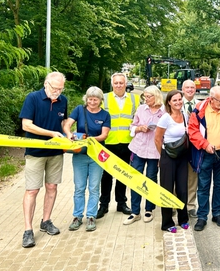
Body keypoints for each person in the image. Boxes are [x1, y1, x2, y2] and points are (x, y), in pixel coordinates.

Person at [19, 72, 68, 248]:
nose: (58, 92)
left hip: (55, 153)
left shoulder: (63, 100)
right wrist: (50, 134)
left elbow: (62, 122)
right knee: (32, 190)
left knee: (52, 187)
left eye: (61, 89)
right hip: (35, 152)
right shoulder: (32, 98)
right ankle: (28, 230)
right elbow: (26, 125)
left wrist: (68, 134)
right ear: (46, 84)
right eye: (55, 88)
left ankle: (46, 221)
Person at [188, 86, 220, 231]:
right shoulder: (199, 110)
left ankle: (217, 213)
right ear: (211, 99)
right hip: (206, 154)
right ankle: (202, 216)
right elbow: (192, 131)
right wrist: (204, 145)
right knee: (203, 186)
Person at [63, 87, 111, 232]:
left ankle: (91, 216)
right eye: (90, 99)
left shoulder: (105, 115)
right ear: (86, 99)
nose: (92, 102)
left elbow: (104, 135)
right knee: (79, 187)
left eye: (95, 99)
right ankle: (77, 216)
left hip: (97, 156)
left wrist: (89, 140)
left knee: (94, 187)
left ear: (100, 100)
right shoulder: (79, 110)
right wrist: (68, 134)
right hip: (80, 155)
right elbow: (67, 124)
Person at [97, 72, 140, 219]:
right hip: (108, 142)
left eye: (121, 83)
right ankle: (103, 205)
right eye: (116, 83)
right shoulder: (105, 98)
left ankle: (121, 203)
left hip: (128, 143)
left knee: (123, 175)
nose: (119, 85)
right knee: (106, 176)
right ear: (112, 84)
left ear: (125, 83)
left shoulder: (135, 99)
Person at [123, 86, 165, 225]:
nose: (146, 99)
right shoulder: (141, 109)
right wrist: (140, 128)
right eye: (145, 97)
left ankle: (149, 209)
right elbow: (132, 126)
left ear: (156, 96)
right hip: (138, 148)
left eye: (149, 97)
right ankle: (135, 211)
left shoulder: (164, 111)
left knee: (151, 179)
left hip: (154, 150)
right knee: (136, 179)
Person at [154, 90, 190, 233]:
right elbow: (157, 139)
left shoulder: (185, 115)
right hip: (168, 157)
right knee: (167, 190)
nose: (178, 102)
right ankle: (167, 223)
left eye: (179, 99)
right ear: (169, 102)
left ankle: (183, 219)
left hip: (182, 157)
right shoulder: (165, 118)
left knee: (182, 189)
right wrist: (162, 155)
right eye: (174, 100)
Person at [182, 80, 198, 218]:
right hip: (178, 146)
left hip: (195, 146)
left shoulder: (200, 105)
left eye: (192, 87)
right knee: (177, 175)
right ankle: (176, 204)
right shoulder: (175, 102)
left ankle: (191, 205)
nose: (190, 89)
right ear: (182, 89)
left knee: (193, 176)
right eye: (187, 87)